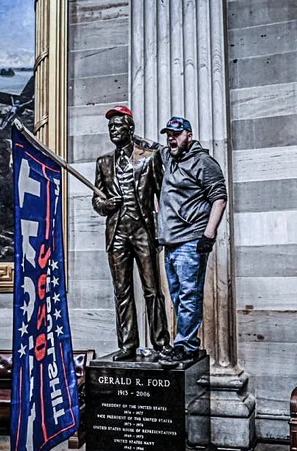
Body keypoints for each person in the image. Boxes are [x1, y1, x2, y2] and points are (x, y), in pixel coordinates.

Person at [91, 105, 171, 361]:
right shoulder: (103, 162)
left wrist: (162, 233)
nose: (113, 130)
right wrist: (105, 205)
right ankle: (127, 345)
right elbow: (96, 200)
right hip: (117, 234)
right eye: (110, 126)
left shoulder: (149, 157)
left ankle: (161, 343)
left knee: (152, 289)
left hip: (143, 231)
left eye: (117, 125)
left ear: (130, 128)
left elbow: (163, 198)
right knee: (122, 291)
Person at [156, 116, 227, 367]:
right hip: (171, 242)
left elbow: (219, 198)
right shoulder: (169, 157)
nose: (171, 139)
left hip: (191, 239)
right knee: (177, 296)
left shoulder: (203, 162)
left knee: (188, 295)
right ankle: (186, 342)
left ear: (189, 135)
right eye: (168, 135)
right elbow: (150, 147)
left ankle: (185, 346)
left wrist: (208, 235)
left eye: (176, 134)